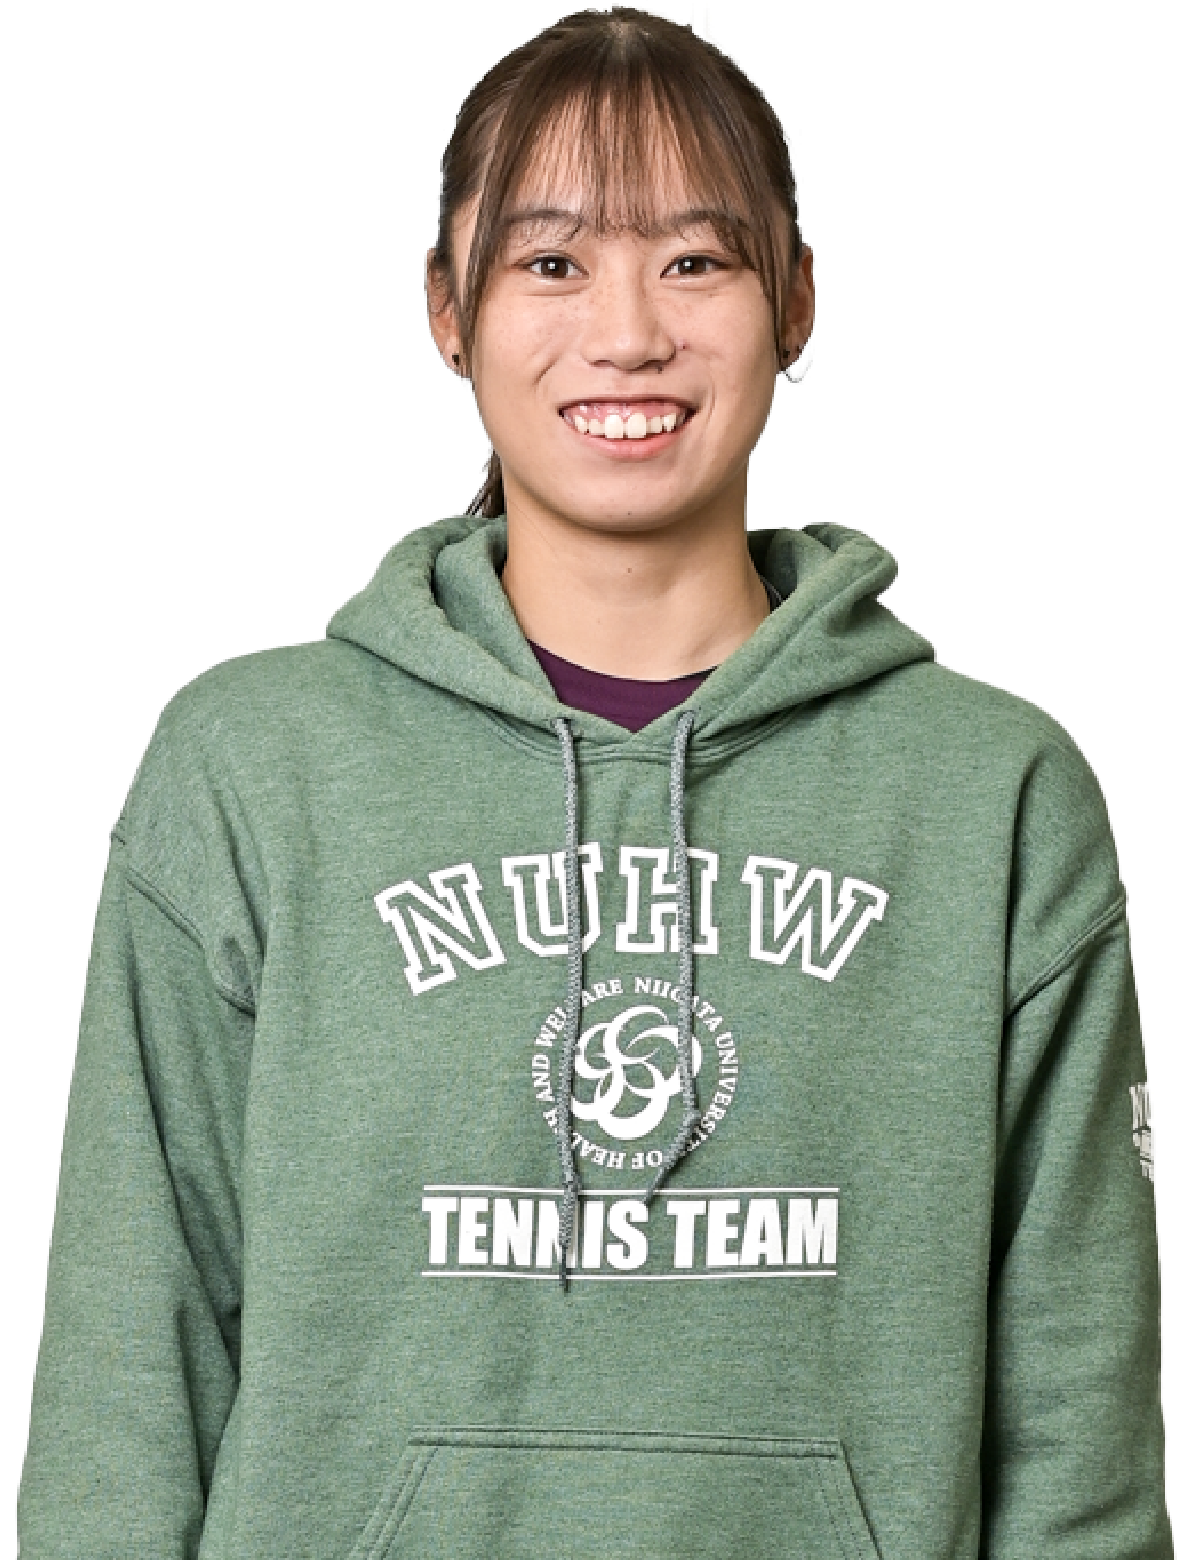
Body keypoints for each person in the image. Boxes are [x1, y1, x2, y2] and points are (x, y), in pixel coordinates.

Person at [18, 7, 1172, 1557]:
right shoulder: (251, 768)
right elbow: (125, 1373)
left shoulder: (992, 798)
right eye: (552, 262)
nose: (627, 334)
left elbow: (1080, 1423)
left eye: (695, 260)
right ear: (447, 310)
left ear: (796, 300)